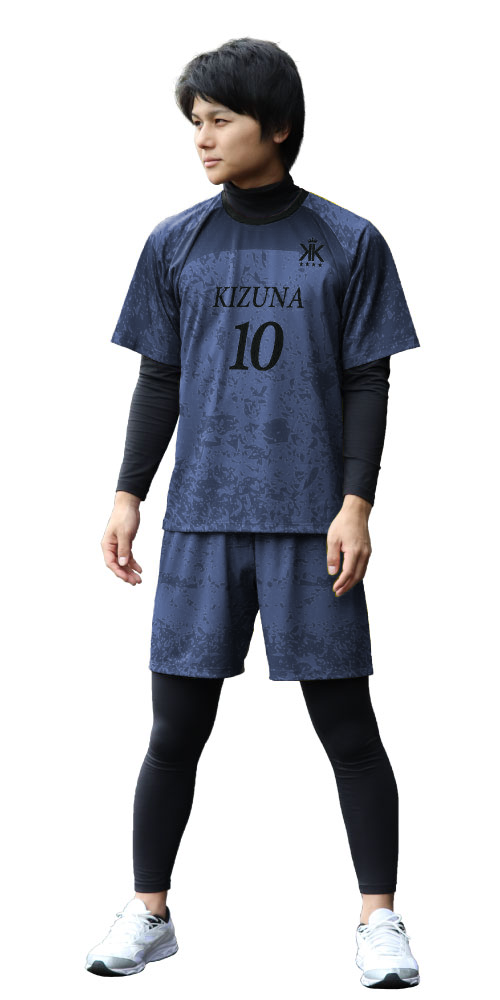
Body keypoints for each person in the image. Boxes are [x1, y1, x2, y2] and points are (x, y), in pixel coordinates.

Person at [85, 37, 421, 988]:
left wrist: (356, 504)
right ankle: (149, 911)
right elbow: (161, 376)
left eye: (221, 119)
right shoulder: (175, 241)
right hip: (201, 521)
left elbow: (367, 380)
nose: (202, 137)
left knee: (349, 732)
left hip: (312, 522)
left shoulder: (349, 241)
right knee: (173, 733)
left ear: (277, 125)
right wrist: (128, 492)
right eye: (195, 121)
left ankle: (380, 920)